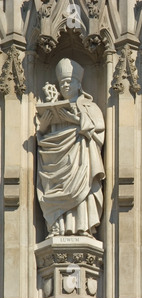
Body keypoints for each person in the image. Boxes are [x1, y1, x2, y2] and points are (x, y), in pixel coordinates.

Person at [36, 58, 105, 238]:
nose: (65, 86)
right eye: (62, 83)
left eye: (69, 82)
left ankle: (82, 228)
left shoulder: (90, 107)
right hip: (57, 162)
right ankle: (57, 228)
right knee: (55, 190)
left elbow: (98, 135)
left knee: (82, 191)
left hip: (80, 161)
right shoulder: (54, 107)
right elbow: (43, 139)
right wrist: (43, 126)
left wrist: (76, 120)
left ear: (78, 84)